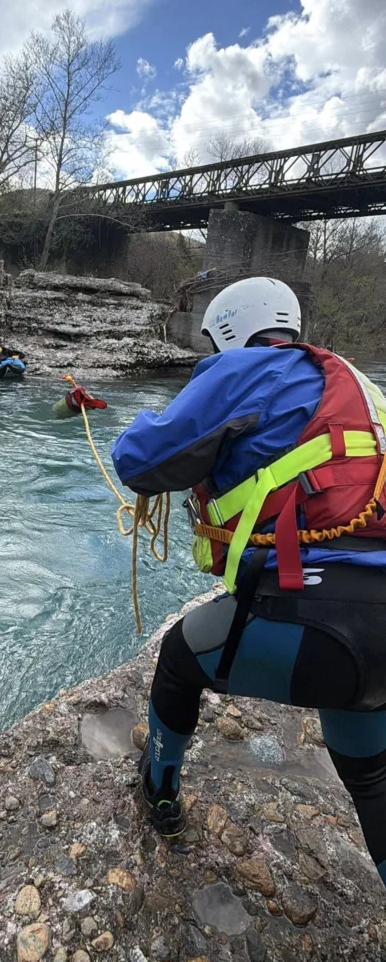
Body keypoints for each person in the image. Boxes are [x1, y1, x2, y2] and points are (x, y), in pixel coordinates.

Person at [111, 275, 386, 889]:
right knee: (371, 777)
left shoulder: (243, 368)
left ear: (229, 330)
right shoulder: (356, 385)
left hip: (319, 616)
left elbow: (141, 460)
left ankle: (159, 794)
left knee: (181, 656)